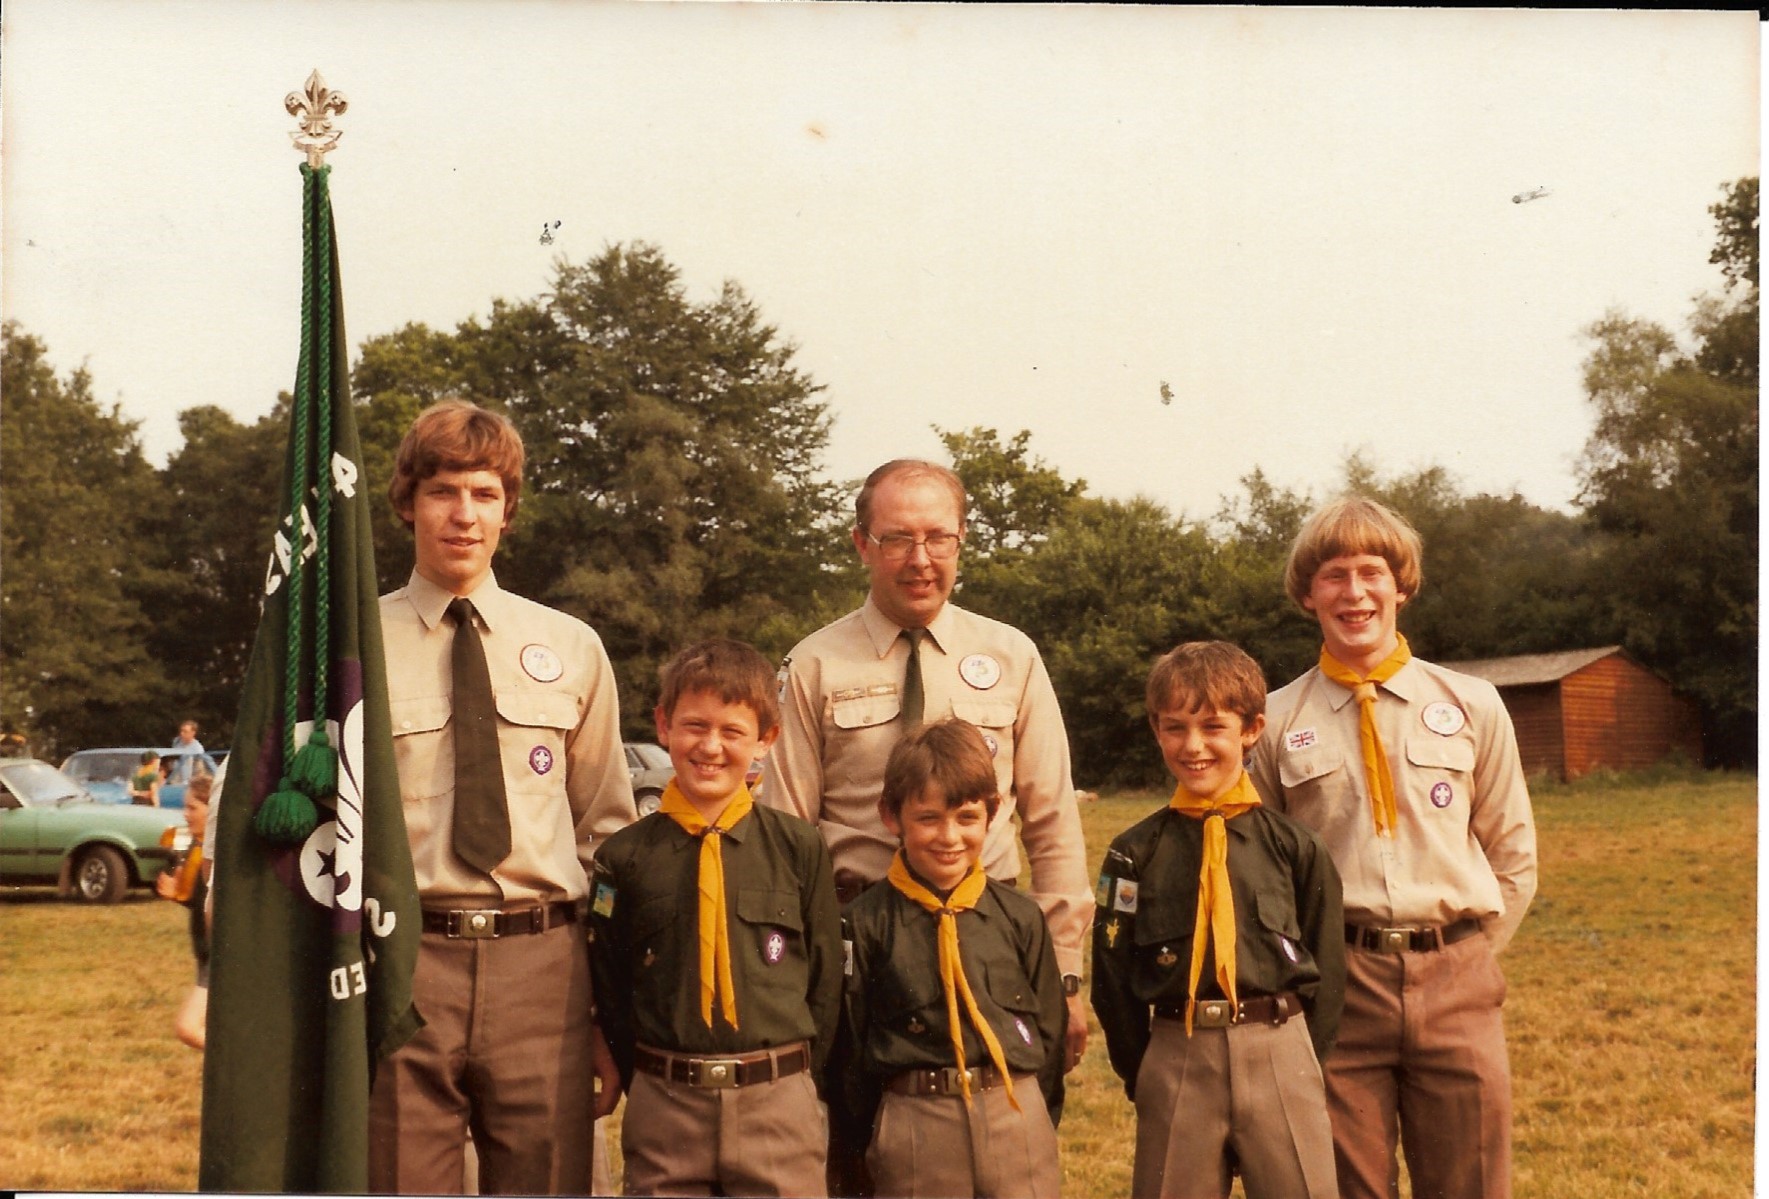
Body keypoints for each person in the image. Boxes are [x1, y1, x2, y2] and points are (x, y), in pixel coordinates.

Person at [368, 398, 637, 1196]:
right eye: (443, 491)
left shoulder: (571, 647)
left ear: (508, 511)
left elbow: (608, 835)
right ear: (407, 503)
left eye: (485, 494)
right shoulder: (352, 645)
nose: (463, 514)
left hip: (544, 973)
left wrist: (604, 1011)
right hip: (405, 963)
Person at [1248, 496, 1538, 1199]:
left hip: (1457, 976)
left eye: (1370, 571)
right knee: (1345, 1185)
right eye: (1334, 575)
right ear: (1307, 593)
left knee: (1469, 1179)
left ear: (1399, 584)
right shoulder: (1274, 719)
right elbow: (1260, 874)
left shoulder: (1471, 703)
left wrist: (1462, 954)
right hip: (1338, 982)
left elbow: (1513, 854)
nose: (1354, 592)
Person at [763, 459, 1092, 1061]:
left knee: (998, 1119)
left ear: (961, 540)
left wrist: (1065, 973)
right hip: (857, 935)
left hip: (989, 926)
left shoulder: (1012, 655)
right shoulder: (813, 665)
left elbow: (1052, 824)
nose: (921, 559)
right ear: (862, 544)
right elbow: (784, 834)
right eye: (897, 539)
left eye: (938, 537)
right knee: (857, 1136)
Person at [589, 638, 842, 1197]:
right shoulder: (622, 858)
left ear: (766, 740)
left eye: (733, 731)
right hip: (666, 1105)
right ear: (662, 726)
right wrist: (650, 1081)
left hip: (778, 1101)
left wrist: (798, 1081)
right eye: (694, 726)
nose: (711, 747)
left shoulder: (799, 847)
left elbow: (824, 980)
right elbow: (611, 986)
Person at [1093, 642, 1344, 1199]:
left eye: (1213, 726)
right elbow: (1110, 981)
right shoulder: (1132, 854)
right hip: (1177, 1055)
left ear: (1252, 729)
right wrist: (1150, 1073)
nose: (1195, 746)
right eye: (1175, 728)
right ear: (1157, 731)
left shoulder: (1296, 848)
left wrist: (1303, 1063)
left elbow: (1327, 970)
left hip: (1281, 1050)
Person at [835, 719, 1065, 1199]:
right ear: (891, 816)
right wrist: (862, 1146)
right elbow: (850, 1051)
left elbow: (1050, 1034)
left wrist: (1037, 1120)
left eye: (966, 818)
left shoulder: (1020, 918)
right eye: (928, 818)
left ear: (992, 815)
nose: (948, 836)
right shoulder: (863, 924)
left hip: (1014, 1113)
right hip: (915, 1125)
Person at [157, 771, 215, 1049]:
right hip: (206, 956)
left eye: (193, 807)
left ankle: (240, 1063)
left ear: (212, 807)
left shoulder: (219, 855)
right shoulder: (197, 847)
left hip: (220, 959)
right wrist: (178, 896)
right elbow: (203, 902)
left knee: (188, 1028)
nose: (186, 814)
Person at [167, 719, 216, 784]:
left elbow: (204, 766)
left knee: (188, 758)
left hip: (191, 776)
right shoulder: (177, 741)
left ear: (193, 733)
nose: (182, 733)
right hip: (176, 773)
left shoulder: (198, 749)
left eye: (185, 731)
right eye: (181, 731)